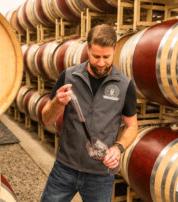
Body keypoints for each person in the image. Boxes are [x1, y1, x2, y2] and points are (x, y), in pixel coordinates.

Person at [40, 24, 138, 202]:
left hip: (100, 175)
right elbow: (46, 119)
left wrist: (118, 148)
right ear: (88, 49)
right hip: (65, 169)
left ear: (115, 49)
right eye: (96, 56)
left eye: (106, 57)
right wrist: (56, 103)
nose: (101, 63)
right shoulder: (69, 77)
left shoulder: (125, 85)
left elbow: (132, 126)